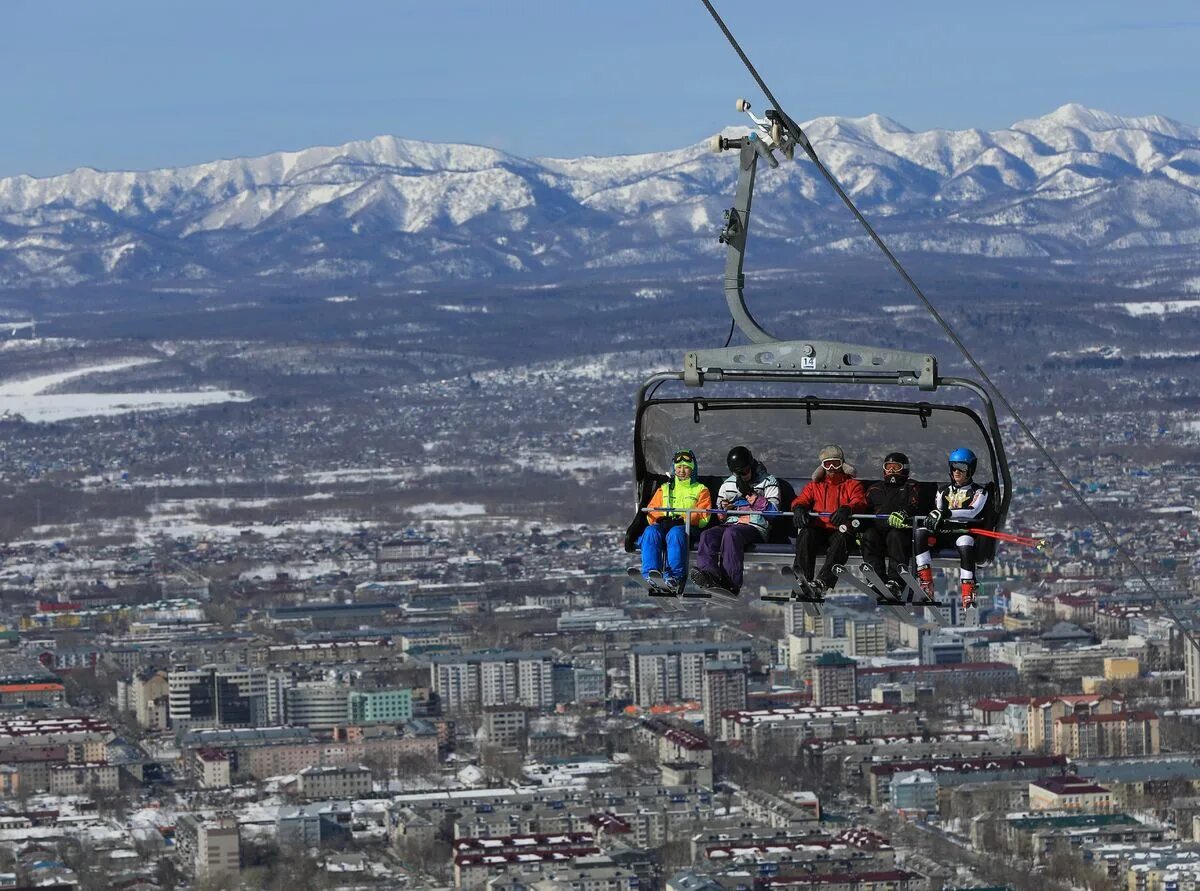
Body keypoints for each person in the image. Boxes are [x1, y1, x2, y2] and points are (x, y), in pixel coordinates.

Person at [690, 445, 780, 595]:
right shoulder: (728, 485)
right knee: (708, 535)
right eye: (737, 473)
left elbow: (775, 513)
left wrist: (754, 498)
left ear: (751, 466)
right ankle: (710, 575)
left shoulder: (768, 481)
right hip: (731, 523)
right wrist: (723, 510)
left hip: (755, 525)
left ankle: (731, 583)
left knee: (732, 534)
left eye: (744, 471)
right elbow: (720, 515)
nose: (742, 476)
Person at [914, 447, 989, 608]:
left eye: (961, 468)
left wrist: (945, 513)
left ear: (970, 469)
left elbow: (972, 511)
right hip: (943, 532)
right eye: (953, 467)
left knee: (965, 543)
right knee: (920, 533)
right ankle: (925, 581)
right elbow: (938, 509)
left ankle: (968, 590)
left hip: (963, 531)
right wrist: (936, 516)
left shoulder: (979, 492)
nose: (956, 471)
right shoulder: (943, 491)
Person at [791, 444, 867, 597]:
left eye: (835, 463)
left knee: (843, 539)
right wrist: (798, 508)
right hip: (820, 528)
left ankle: (823, 582)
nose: (832, 467)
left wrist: (847, 509)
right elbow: (802, 499)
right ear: (822, 466)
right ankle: (802, 580)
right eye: (827, 464)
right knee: (806, 534)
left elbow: (860, 501)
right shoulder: (815, 486)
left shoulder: (852, 485)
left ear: (842, 464)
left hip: (840, 529)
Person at [639, 449, 712, 587]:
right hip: (665, 524)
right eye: (679, 467)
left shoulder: (701, 489)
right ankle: (650, 572)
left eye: (686, 467)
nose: (682, 471)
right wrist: (660, 518)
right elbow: (652, 510)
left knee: (676, 533)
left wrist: (684, 518)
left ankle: (675, 575)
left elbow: (703, 515)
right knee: (650, 532)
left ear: (692, 469)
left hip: (688, 528)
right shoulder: (665, 488)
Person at [861, 451, 922, 595]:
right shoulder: (875, 489)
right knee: (869, 535)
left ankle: (895, 581)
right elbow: (864, 507)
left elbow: (916, 504)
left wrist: (904, 513)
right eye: (888, 467)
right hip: (879, 529)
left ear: (904, 469)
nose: (892, 471)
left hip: (900, 530)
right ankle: (876, 577)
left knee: (895, 536)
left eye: (896, 467)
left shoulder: (911, 486)